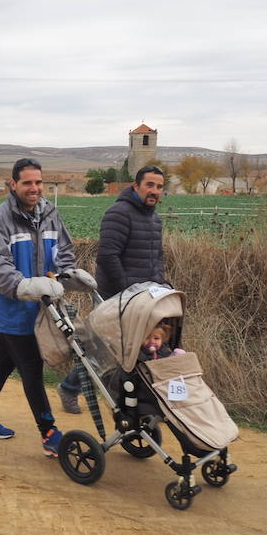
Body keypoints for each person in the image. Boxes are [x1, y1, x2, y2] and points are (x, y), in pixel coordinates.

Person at [0, 158, 97, 457]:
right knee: (31, 368)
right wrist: (25, 286)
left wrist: (68, 274)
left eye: (38, 182)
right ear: (13, 184)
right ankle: (49, 433)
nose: (34, 188)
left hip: (44, 308)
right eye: (27, 182)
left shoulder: (50, 214)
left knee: (2, 364)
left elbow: (63, 250)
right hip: (13, 307)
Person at [57, 165, 167, 413]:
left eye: (159, 187)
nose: (154, 191)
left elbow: (157, 256)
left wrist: (160, 283)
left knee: (135, 351)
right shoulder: (119, 213)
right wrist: (128, 291)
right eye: (149, 185)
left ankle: (126, 399)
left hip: (144, 298)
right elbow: (107, 257)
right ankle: (70, 388)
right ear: (136, 186)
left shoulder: (154, 218)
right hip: (116, 296)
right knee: (103, 350)